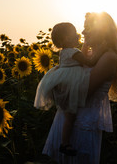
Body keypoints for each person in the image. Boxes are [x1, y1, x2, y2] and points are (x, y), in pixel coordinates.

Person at [42, 12, 117, 163]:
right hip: (68, 121)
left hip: (82, 125)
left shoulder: (108, 57)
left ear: (102, 30)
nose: (82, 32)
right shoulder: (88, 54)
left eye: (87, 28)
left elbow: (84, 91)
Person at [34, 22, 106, 156]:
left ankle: (64, 143)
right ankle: (65, 143)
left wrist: (85, 45)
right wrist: (101, 51)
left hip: (66, 81)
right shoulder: (73, 52)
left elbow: (81, 57)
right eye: (74, 34)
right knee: (70, 116)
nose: (77, 35)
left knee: (68, 115)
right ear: (65, 39)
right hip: (72, 83)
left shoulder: (66, 52)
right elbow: (89, 62)